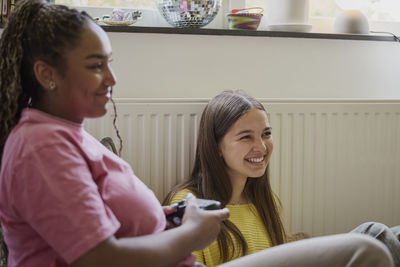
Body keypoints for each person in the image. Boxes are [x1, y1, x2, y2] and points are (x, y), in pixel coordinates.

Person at [0, 1, 394, 267]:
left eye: (109, 63)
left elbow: (109, 227)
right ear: (46, 74)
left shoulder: (69, 136)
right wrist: (189, 234)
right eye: (94, 65)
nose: (111, 78)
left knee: (381, 236)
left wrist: (170, 216)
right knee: (366, 250)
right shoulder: (40, 147)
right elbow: (98, 258)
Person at [163, 90, 399, 267]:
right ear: (216, 147)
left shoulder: (264, 202)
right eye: (246, 137)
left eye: (266, 134)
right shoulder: (189, 203)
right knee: (375, 233)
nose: (261, 146)